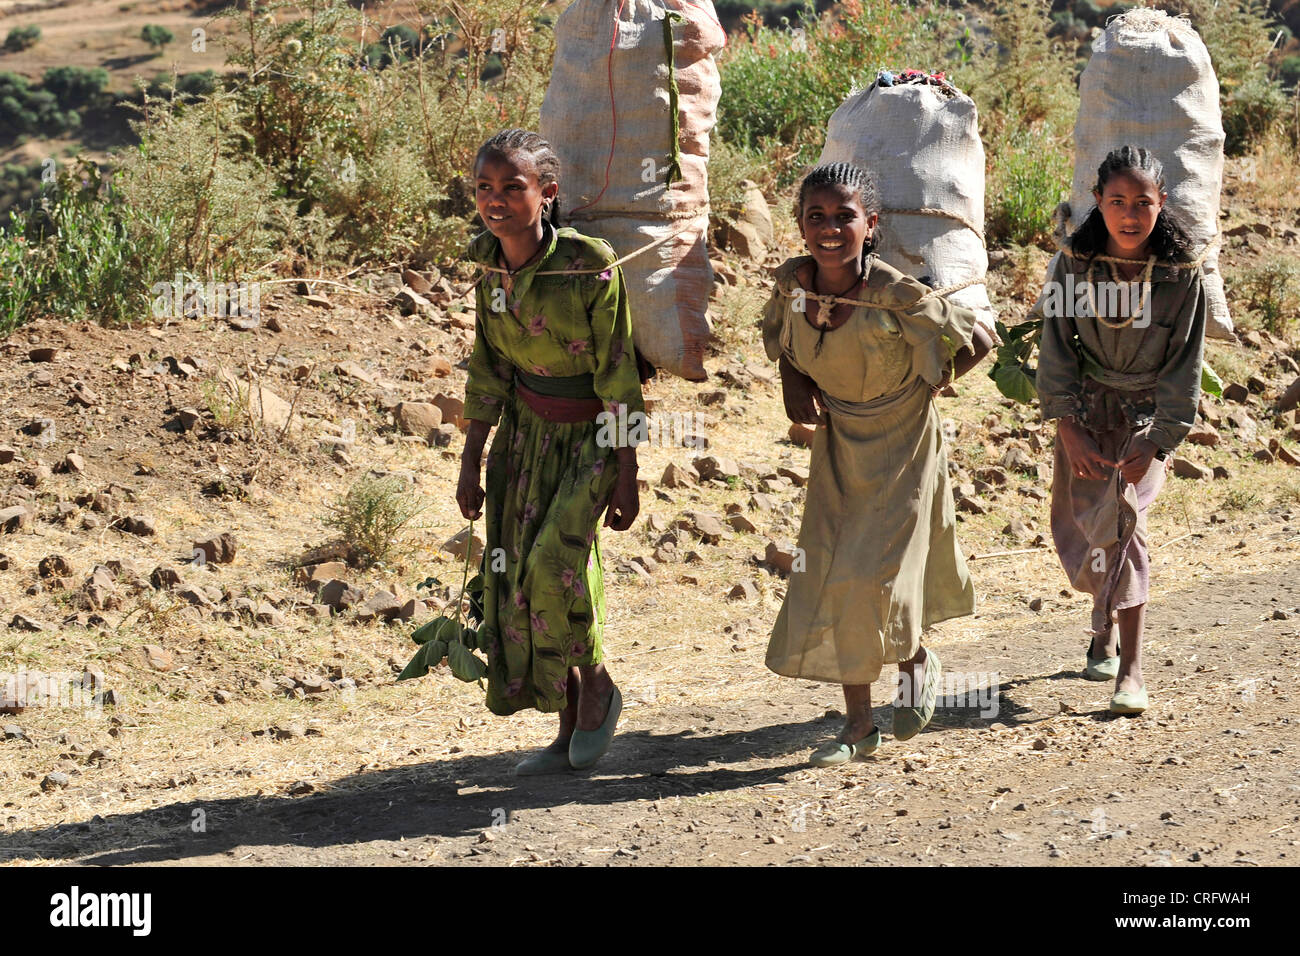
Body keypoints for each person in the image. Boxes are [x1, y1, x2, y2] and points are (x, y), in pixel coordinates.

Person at [762, 162, 993, 766]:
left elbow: (979, 343)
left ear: (872, 225)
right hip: (839, 443)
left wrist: (928, 388)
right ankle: (860, 725)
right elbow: (782, 338)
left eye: (845, 217)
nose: (830, 229)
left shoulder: (897, 293)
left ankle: (915, 659)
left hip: (906, 446)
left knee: (878, 576)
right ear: (800, 224)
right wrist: (792, 383)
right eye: (817, 217)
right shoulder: (794, 285)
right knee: (837, 572)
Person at [457, 128, 644, 773]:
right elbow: (487, 369)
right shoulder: (486, 265)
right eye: (485, 187)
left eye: (513, 187)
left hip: (591, 438)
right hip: (524, 441)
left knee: (550, 567)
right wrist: (471, 461)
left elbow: (620, 373)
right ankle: (568, 723)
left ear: (548, 192)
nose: (496, 200)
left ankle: (595, 684)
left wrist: (627, 472)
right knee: (518, 578)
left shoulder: (589, 265)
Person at [1035, 145, 1206, 715]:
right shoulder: (1074, 265)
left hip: (1146, 420)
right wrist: (1066, 425)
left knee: (1125, 527)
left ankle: (1131, 670)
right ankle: (1100, 626)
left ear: (1163, 203)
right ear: (1097, 203)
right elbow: (1056, 346)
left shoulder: (1182, 278)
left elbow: (1186, 363)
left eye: (1142, 202)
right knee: (1088, 532)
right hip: (1087, 413)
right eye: (1117, 202)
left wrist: (1160, 437)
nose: (1130, 215)